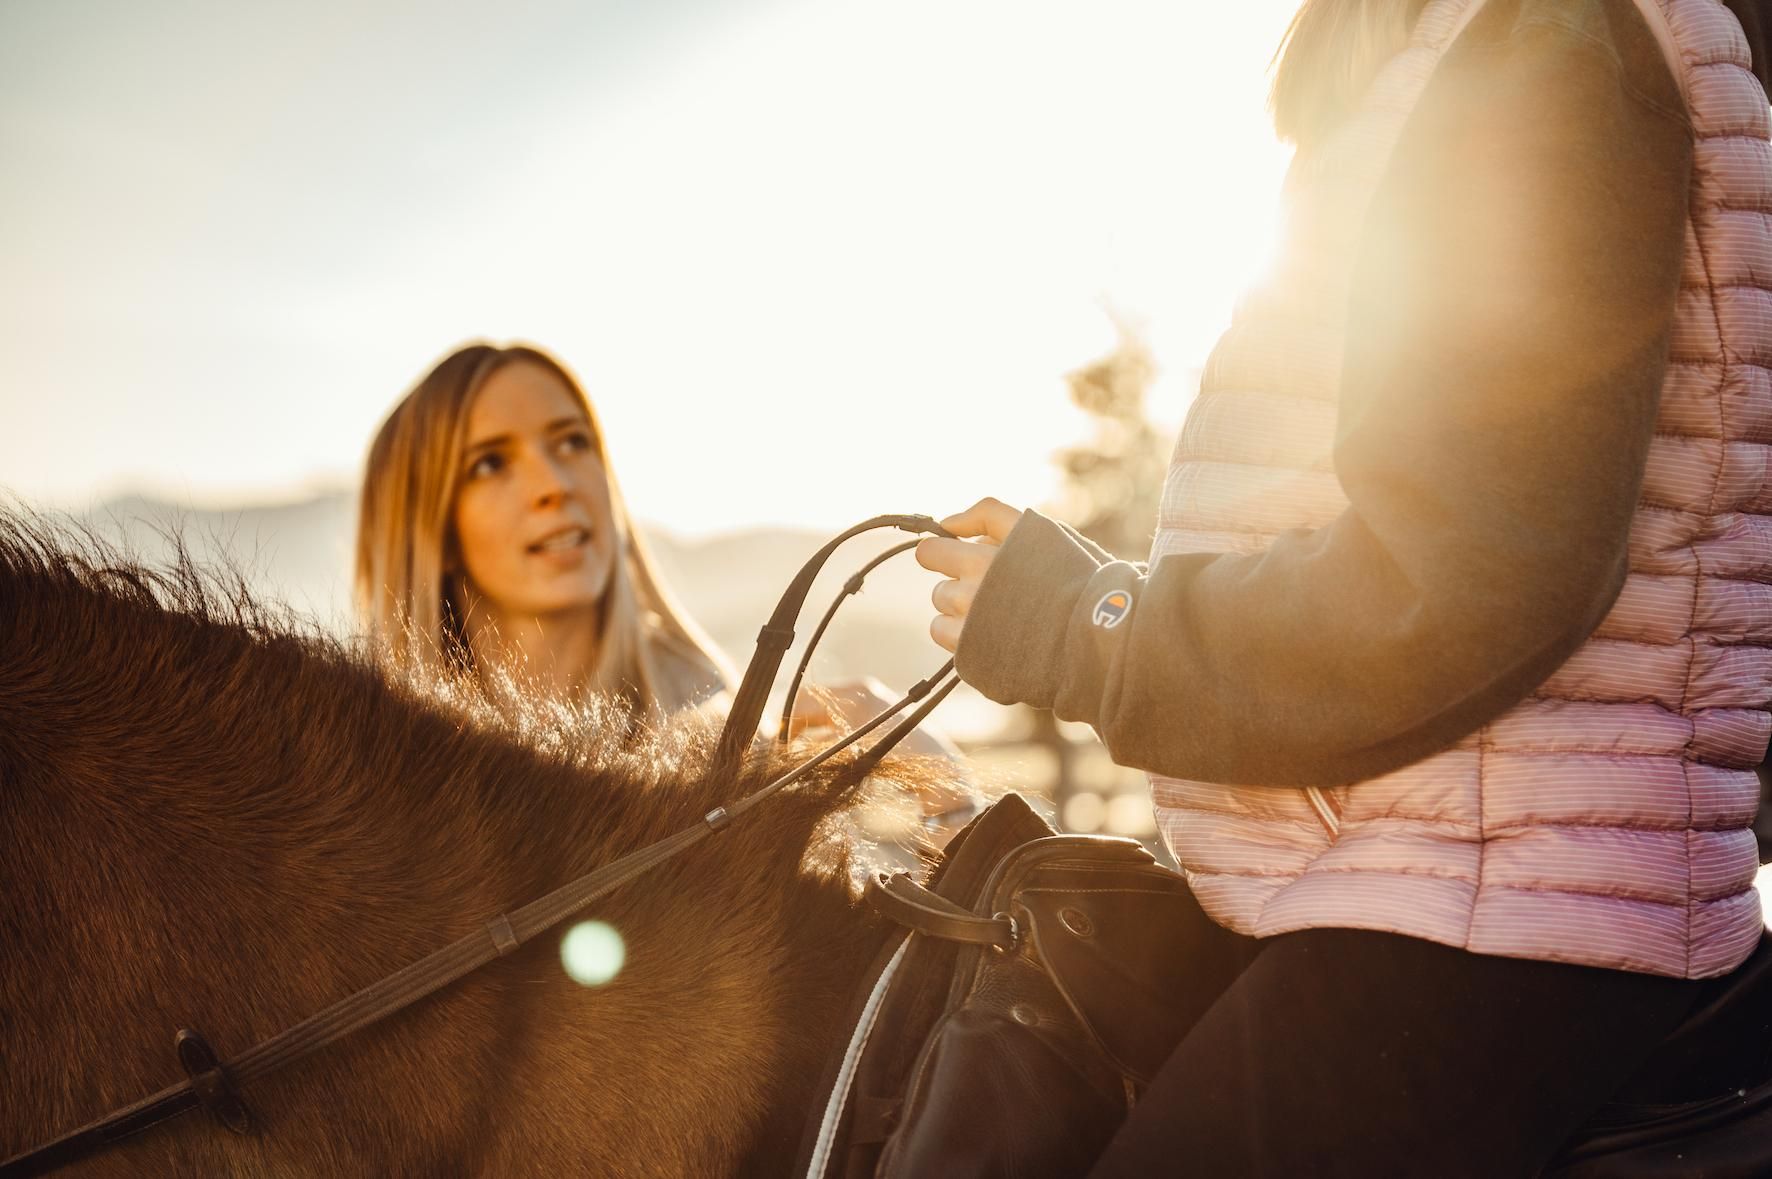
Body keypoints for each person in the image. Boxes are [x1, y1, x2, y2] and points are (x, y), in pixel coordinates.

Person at [918, 0, 1772, 1174]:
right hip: (1424, 887)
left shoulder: (1556, 38)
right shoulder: (1475, 47)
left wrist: (1088, 623)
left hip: (1494, 926)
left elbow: (1466, 573)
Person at [356, 343, 733, 716]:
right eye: (490, 464)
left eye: (572, 441)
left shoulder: (725, 740)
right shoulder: (364, 766)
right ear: (435, 534)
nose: (554, 484)